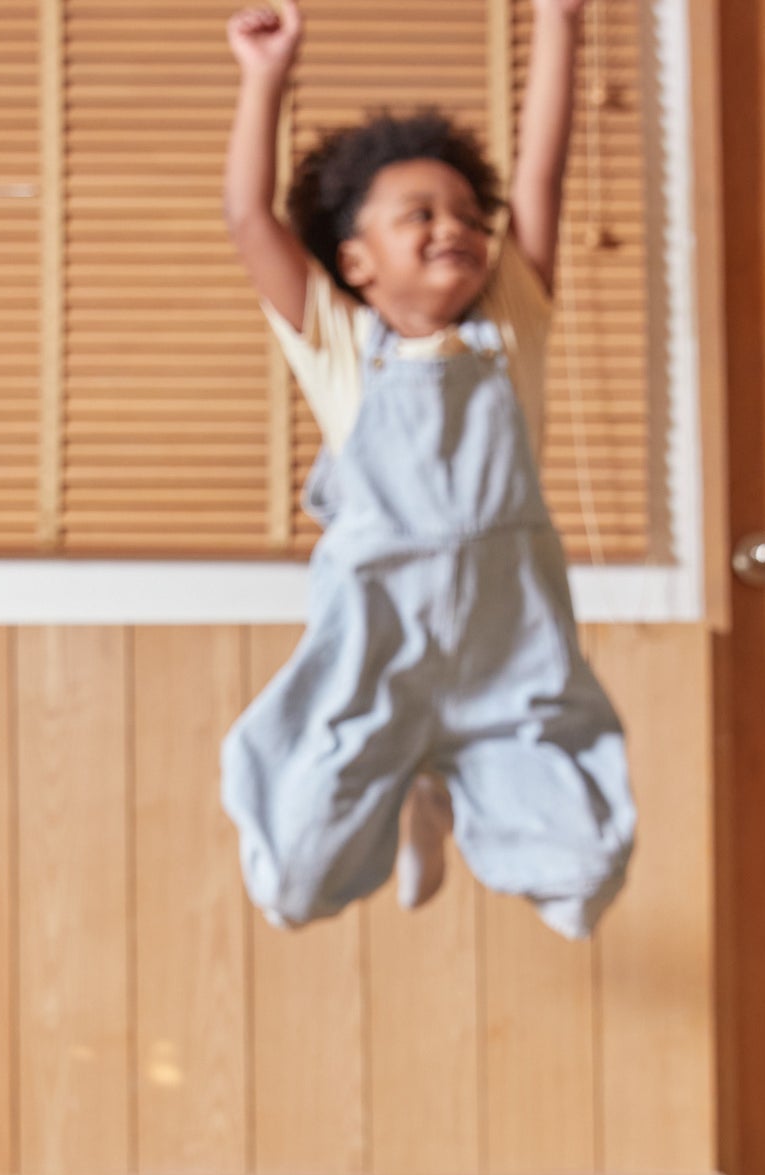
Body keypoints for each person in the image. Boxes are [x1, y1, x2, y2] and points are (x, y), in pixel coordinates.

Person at [218, 0, 635, 941]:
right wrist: (265, 78)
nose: (452, 227)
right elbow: (249, 214)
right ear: (356, 262)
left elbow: (541, 174)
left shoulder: (510, 328)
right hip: (378, 646)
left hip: (509, 640)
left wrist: (560, 26)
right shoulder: (339, 347)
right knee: (292, 883)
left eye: (463, 214)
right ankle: (406, 779)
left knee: (586, 876)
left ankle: (444, 781)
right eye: (419, 215)